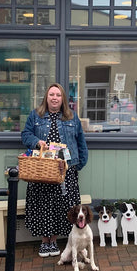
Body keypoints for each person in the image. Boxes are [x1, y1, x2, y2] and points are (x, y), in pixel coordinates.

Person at [21, 83, 88, 258]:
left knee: (62, 206)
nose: (55, 98)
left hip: (65, 171)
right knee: (43, 204)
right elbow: (25, 134)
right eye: (51, 94)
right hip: (42, 170)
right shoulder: (36, 115)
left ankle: (55, 240)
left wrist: (79, 164)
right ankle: (45, 242)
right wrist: (36, 141)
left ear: (62, 98)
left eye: (58, 95)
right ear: (46, 97)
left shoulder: (71, 117)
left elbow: (81, 142)